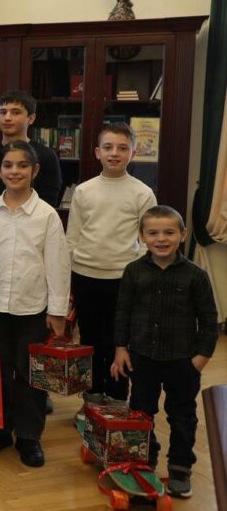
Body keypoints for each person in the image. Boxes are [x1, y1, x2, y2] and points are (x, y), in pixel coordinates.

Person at [0, 141, 70, 468]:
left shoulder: (47, 216)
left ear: (35, 170)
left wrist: (57, 311)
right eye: (8, 165)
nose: (15, 171)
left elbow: (57, 265)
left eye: (22, 166)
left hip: (33, 310)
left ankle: (28, 436)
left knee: (30, 375)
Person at [111, 206, 217, 499]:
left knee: (182, 416)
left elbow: (209, 319)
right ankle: (144, 459)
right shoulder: (133, 272)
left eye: (169, 232)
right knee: (141, 411)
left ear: (182, 235)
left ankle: (180, 467)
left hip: (183, 360)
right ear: (142, 236)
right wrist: (120, 348)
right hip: (142, 357)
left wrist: (201, 358)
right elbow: (123, 312)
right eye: (153, 233)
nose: (161, 239)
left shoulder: (196, 275)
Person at [68, 122, 156, 402]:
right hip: (85, 276)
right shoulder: (84, 191)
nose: (114, 153)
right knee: (90, 339)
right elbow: (72, 237)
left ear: (133, 153)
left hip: (123, 278)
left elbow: (148, 239)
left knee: (119, 341)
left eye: (122, 148)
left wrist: (138, 273)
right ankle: (92, 397)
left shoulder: (142, 193)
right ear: (97, 152)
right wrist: (67, 276)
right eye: (108, 147)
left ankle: (117, 398)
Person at [0, 90, 63, 229]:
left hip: (33, 229)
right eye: (3, 112)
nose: (7, 118)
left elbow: (49, 202)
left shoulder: (46, 156)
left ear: (31, 118)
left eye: (15, 112)